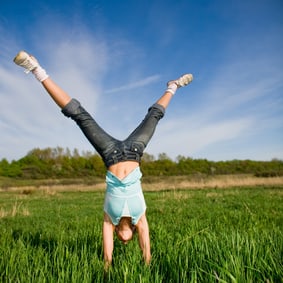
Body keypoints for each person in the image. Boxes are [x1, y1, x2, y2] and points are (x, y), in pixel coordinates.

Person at [13, 50, 193, 268]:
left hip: (110, 154)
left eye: (120, 241)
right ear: (133, 234)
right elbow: (146, 241)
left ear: (117, 233)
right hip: (134, 152)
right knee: (154, 116)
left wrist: (107, 266)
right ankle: (172, 86)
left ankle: (36, 69)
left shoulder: (110, 219)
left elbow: (107, 248)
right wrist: (147, 263)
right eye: (128, 241)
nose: (123, 241)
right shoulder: (140, 217)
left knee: (79, 115)